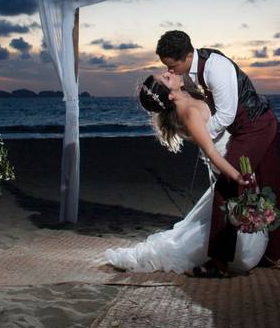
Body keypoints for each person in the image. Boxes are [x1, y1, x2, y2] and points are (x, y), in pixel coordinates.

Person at [104, 72, 268, 276]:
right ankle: (222, 258)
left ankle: (230, 250)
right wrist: (236, 176)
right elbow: (210, 151)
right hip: (226, 164)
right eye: (165, 78)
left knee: (233, 214)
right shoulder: (189, 112)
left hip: (233, 159)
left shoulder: (189, 98)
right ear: (171, 95)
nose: (168, 72)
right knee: (238, 213)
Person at [156, 30, 280, 274]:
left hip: (255, 126)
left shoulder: (216, 68)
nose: (170, 71)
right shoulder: (189, 74)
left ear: (185, 56)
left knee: (229, 185)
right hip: (248, 127)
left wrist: (203, 138)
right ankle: (272, 256)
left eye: (171, 66)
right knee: (267, 185)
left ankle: (220, 262)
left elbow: (225, 114)